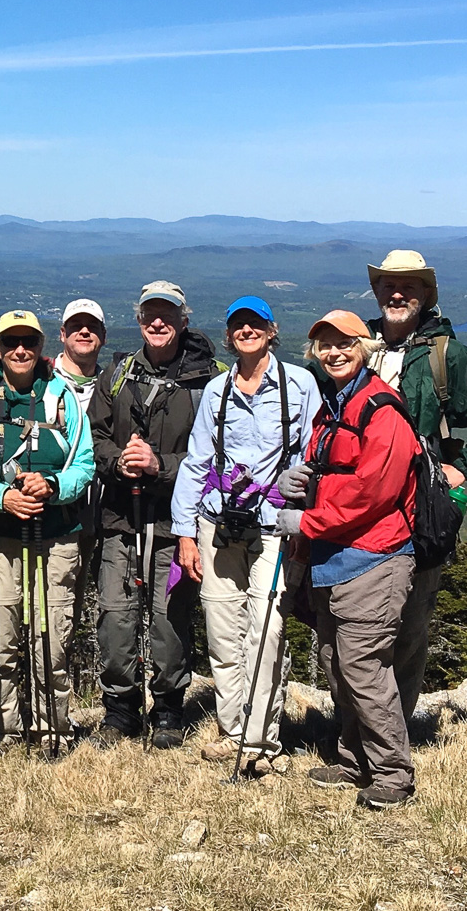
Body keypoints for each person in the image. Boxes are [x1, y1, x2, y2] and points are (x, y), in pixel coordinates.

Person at [361, 250, 467, 715]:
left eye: (410, 286)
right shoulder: (351, 347)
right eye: (389, 286)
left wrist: (461, 467)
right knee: (347, 629)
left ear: (426, 295)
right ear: (375, 292)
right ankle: (351, 735)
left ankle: (391, 745)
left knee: (406, 632)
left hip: (418, 515)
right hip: (352, 513)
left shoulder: (446, 357)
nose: (397, 294)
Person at [280, 310, 421, 810]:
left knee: (362, 666)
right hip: (336, 558)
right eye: (324, 345)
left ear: (365, 349)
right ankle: (354, 756)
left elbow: (372, 492)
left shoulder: (381, 410)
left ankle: (392, 772)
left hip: (375, 557)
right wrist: (299, 482)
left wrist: (306, 521)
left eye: (345, 344)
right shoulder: (335, 406)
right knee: (336, 664)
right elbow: (332, 471)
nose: (334, 352)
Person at [171, 296, 318, 775]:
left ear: (272, 331)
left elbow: (313, 455)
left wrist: (305, 519)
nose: (247, 332)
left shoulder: (299, 384)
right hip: (218, 523)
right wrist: (185, 533)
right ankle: (233, 730)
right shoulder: (216, 391)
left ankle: (261, 739)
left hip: (275, 524)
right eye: (238, 325)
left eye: (255, 324)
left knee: (268, 630)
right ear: (230, 334)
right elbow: (196, 462)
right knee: (222, 630)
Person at [0, 310, 95, 751]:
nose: (20, 350)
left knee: (53, 636)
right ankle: (1, 730)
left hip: (57, 531)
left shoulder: (62, 398)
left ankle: (53, 728)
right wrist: (1, 497)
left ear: (41, 345)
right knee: (2, 635)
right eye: (11, 342)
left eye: (28, 341)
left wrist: (52, 486)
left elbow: (83, 463)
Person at [88, 281, 221, 749]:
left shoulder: (208, 382)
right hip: (121, 519)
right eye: (149, 314)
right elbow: (96, 436)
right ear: (139, 319)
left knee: (170, 618)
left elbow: (217, 456)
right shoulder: (118, 375)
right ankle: (120, 709)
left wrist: (160, 466)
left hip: (175, 525)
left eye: (167, 314)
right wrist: (118, 461)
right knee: (116, 615)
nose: (157, 322)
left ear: (184, 320)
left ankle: (168, 709)